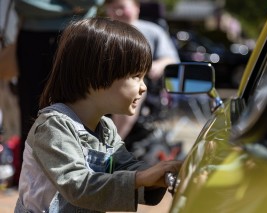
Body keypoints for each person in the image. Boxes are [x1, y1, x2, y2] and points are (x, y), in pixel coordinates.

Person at [14, 17, 182, 212]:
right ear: (98, 73)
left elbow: (125, 167)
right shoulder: (53, 126)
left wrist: (162, 175)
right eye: (136, 76)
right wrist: (141, 178)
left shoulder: (106, 128)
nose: (144, 87)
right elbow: (78, 186)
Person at [13, 0, 105, 184]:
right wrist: (72, 6)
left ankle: (87, 173)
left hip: (81, 35)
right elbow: (24, 4)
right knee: (32, 109)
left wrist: (48, 6)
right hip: (33, 38)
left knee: (82, 104)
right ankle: (31, 177)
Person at [105, 0, 180, 143]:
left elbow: (171, 59)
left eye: (122, 7)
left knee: (130, 89)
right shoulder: (101, 31)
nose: (118, 12)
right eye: (113, 8)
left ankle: (113, 143)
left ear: (136, 8)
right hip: (104, 80)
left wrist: (158, 65)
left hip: (137, 82)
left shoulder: (153, 31)